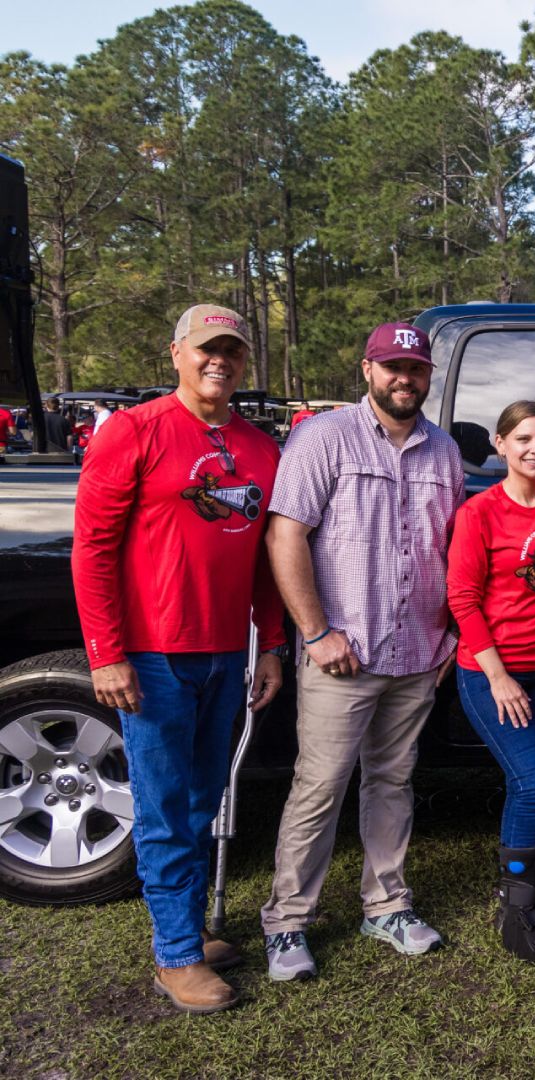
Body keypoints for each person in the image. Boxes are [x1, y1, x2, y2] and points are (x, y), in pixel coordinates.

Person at [71, 304, 287, 1014]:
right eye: (205, 348)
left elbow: (264, 560)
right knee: (164, 808)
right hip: (154, 656)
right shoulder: (132, 432)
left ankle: (185, 929)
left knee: (201, 801)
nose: (217, 359)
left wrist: (271, 645)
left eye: (230, 349)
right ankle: (175, 957)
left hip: (226, 654)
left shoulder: (261, 448)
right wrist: (107, 653)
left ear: (244, 362)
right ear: (177, 354)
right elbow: (93, 548)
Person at [259, 321, 464, 981]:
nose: (404, 378)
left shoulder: (445, 452)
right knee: (319, 787)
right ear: (367, 369)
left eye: (415, 367)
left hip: (417, 653)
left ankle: (386, 905)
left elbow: (453, 548)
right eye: (392, 366)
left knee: (392, 783)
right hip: (341, 655)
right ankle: (288, 922)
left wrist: (450, 634)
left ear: (428, 374)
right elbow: (285, 536)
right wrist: (316, 633)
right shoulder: (324, 438)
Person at [446, 400, 535, 970]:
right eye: (523, 438)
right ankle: (521, 916)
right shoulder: (479, 513)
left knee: (528, 783)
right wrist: (500, 676)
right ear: (500, 445)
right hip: (492, 673)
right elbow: (463, 598)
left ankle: (524, 889)